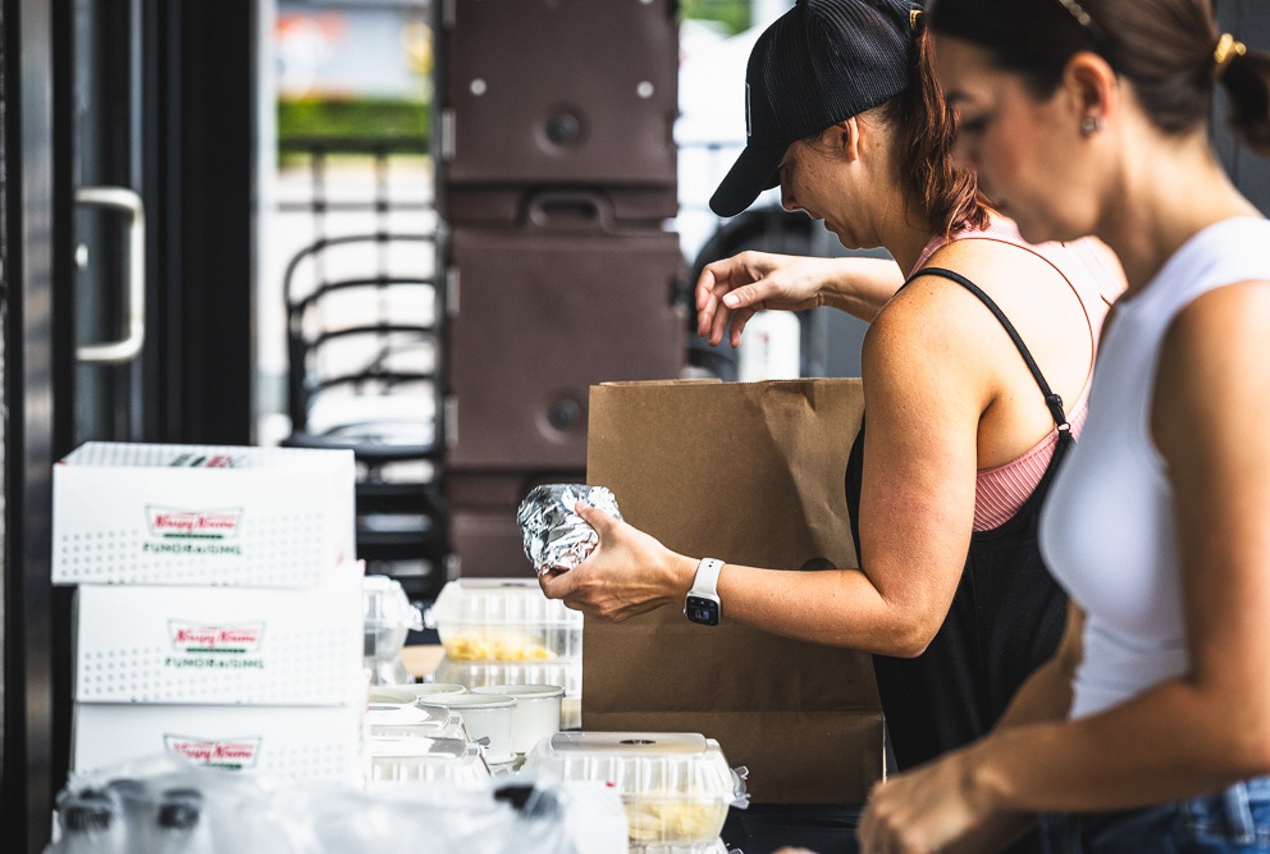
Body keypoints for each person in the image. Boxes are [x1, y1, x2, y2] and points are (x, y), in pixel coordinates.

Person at [541, 0, 1124, 776]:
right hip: (1109, 755)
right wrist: (822, 281)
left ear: (845, 135)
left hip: (1000, 792)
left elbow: (903, 612)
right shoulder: (1065, 249)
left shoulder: (923, 334)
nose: (785, 203)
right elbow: (991, 345)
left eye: (785, 170)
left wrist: (679, 578)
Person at [855, 0, 1270, 851]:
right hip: (1103, 811)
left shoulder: (1231, 320)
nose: (958, 156)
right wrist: (941, 815)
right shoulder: (1136, 313)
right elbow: (1086, 660)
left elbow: (1245, 717)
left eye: (972, 119)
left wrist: (980, 777)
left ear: (1086, 92)